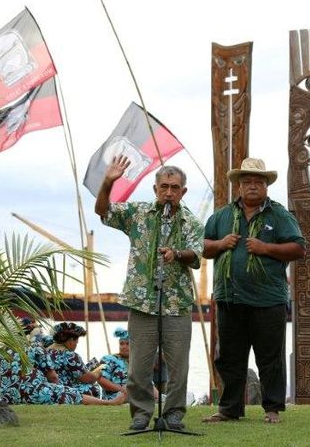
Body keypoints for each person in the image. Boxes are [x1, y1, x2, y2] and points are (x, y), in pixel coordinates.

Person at [95, 157, 204, 432]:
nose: (169, 192)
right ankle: (141, 414)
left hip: (177, 303)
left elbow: (197, 255)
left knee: (178, 366)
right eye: (164, 186)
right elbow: (103, 212)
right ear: (155, 189)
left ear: (183, 191)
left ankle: (174, 415)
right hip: (141, 302)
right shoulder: (138, 214)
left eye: (175, 187)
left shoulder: (190, 221)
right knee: (139, 366)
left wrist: (176, 253)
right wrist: (108, 182)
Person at [201, 158, 305, 425]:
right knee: (229, 357)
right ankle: (229, 409)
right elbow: (202, 247)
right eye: (247, 181)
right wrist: (222, 243)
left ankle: (272, 409)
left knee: (270, 357)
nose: (252, 186)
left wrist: (266, 248)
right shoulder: (221, 216)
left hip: (268, 300)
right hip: (229, 297)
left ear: (266, 186)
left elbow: (298, 248)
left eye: (258, 182)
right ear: (238, 186)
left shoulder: (279, 215)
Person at [46, 322, 101, 397]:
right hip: (64, 390)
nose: (76, 345)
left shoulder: (45, 351)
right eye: (76, 342)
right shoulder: (70, 355)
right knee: (95, 388)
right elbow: (87, 379)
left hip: (47, 389)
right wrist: (98, 373)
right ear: (71, 340)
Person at [97, 328, 130, 400]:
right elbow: (101, 379)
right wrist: (121, 389)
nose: (124, 347)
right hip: (114, 397)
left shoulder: (137, 362)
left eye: (128, 344)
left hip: (136, 398)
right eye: (121, 344)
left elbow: (148, 382)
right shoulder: (109, 359)